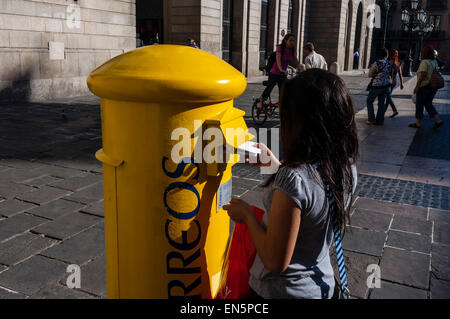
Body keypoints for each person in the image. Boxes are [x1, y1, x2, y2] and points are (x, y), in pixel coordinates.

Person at [224, 69, 358, 299]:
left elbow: (275, 262)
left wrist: (247, 215)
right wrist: (273, 165)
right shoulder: (346, 168)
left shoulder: (293, 177)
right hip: (322, 285)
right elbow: (311, 193)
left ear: (301, 123)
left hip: (280, 291)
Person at [257, 33, 300, 109]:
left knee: (283, 90)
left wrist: (299, 68)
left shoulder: (292, 50)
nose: (292, 42)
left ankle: (281, 104)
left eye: (293, 40)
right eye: (290, 40)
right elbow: (278, 60)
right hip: (274, 72)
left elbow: (295, 60)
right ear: (286, 40)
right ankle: (261, 100)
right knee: (270, 87)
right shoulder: (280, 48)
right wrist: (281, 69)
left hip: (283, 73)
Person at [409, 46, 444, 130]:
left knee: (419, 104)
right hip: (433, 86)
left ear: (425, 53)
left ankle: (418, 123)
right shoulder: (434, 61)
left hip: (424, 86)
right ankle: (438, 120)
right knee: (428, 103)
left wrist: (417, 86)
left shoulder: (425, 62)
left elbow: (423, 74)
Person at [366, 48, 391, 126]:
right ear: (386, 55)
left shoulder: (377, 63)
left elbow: (370, 75)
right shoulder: (389, 63)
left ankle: (371, 119)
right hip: (385, 86)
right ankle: (380, 121)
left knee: (369, 101)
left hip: (376, 86)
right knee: (381, 104)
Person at [386, 49, 404, 118]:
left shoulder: (388, 62)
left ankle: (394, 110)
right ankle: (388, 111)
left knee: (388, 97)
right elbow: (400, 74)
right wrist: (402, 83)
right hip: (394, 82)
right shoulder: (398, 63)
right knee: (388, 97)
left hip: (388, 82)